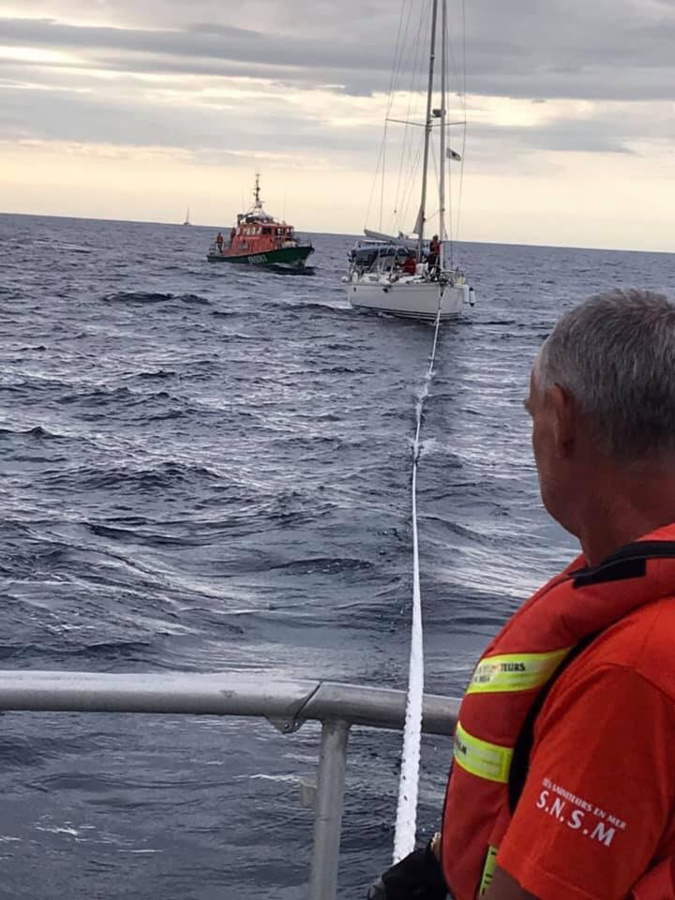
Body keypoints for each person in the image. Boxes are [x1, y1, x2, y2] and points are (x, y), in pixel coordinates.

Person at [368, 289, 675, 900]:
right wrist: (440, 860)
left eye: (529, 412)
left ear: (561, 422)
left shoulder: (633, 671)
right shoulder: (629, 589)